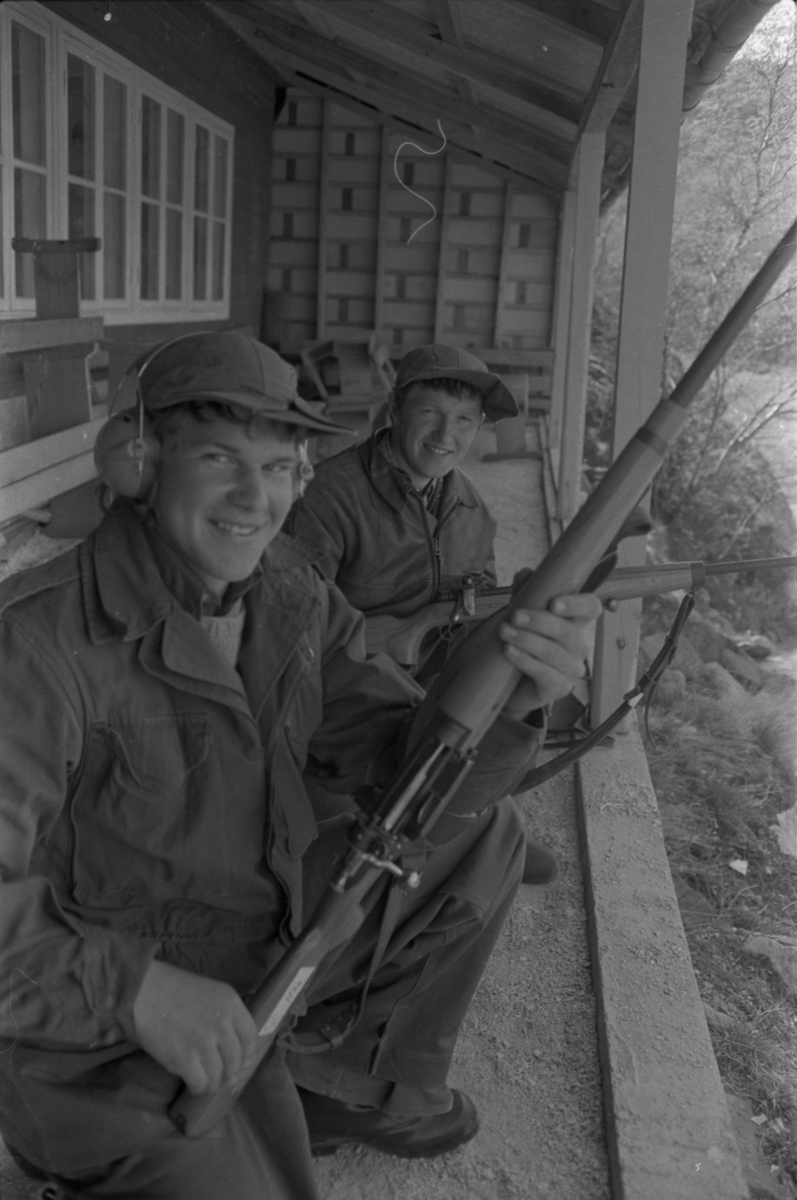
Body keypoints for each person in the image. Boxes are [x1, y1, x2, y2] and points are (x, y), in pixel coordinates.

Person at [0, 330, 600, 1200]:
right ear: (140, 460)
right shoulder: (36, 643)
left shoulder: (290, 593)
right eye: (219, 458)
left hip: (250, 952)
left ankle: (343, 1082)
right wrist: (139, 994)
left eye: (281, 467)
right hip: (89, 1029)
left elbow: (411, 782)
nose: (256, 499)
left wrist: (513, 697)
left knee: (486, 838)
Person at [287, 343, 559, 884]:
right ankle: (448, 837)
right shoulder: (328, 496)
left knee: (509, 693)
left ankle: (469, 825)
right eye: (430, 413)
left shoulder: (471, 507)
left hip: (429, 674)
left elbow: (477, 588)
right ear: (395, 410)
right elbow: (293, 621)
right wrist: (399, 639)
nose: (445, 436)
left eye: (463, 420)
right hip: (339, 691)